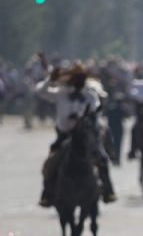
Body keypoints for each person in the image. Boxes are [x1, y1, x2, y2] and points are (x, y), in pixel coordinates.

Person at [36, 61, 117, 207]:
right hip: (65, 135)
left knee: (102, 159)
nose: (79, 80)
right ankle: (47, 193)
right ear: (71, 79)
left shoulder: (90, 95)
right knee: (50, 163)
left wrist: (82, 117)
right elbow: (41, 92)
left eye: (82, 78)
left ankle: (108, 190)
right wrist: (50, 80)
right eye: (77, 77)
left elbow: (95, 108)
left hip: (86, 136)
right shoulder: (61, 93)